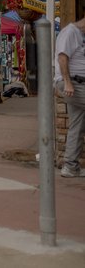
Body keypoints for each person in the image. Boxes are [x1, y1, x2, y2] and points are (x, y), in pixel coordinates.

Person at [54, 16, 85, 178]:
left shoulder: (80, 35)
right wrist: (67, 83)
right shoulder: (70, 32)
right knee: (77, 124)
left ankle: (70, 166)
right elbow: (62, 57)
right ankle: (70, 165)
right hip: (73, 83)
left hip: (78, 83)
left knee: (77, 124)